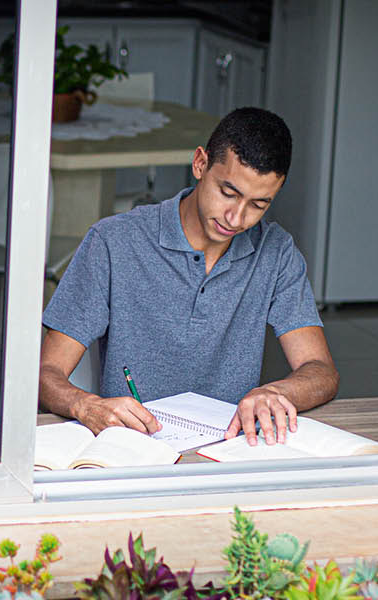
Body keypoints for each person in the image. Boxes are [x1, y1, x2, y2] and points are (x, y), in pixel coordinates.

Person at [38, 107, 338, 447]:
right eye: (228, 192)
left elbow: (320, 370)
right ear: (200, 164)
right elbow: (46, 374)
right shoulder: (113, 242)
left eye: (258, 204)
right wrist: (86, 405)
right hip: (133, 448)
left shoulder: (276, 251)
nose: (236, 218)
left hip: (230, 450)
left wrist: (275, 392)